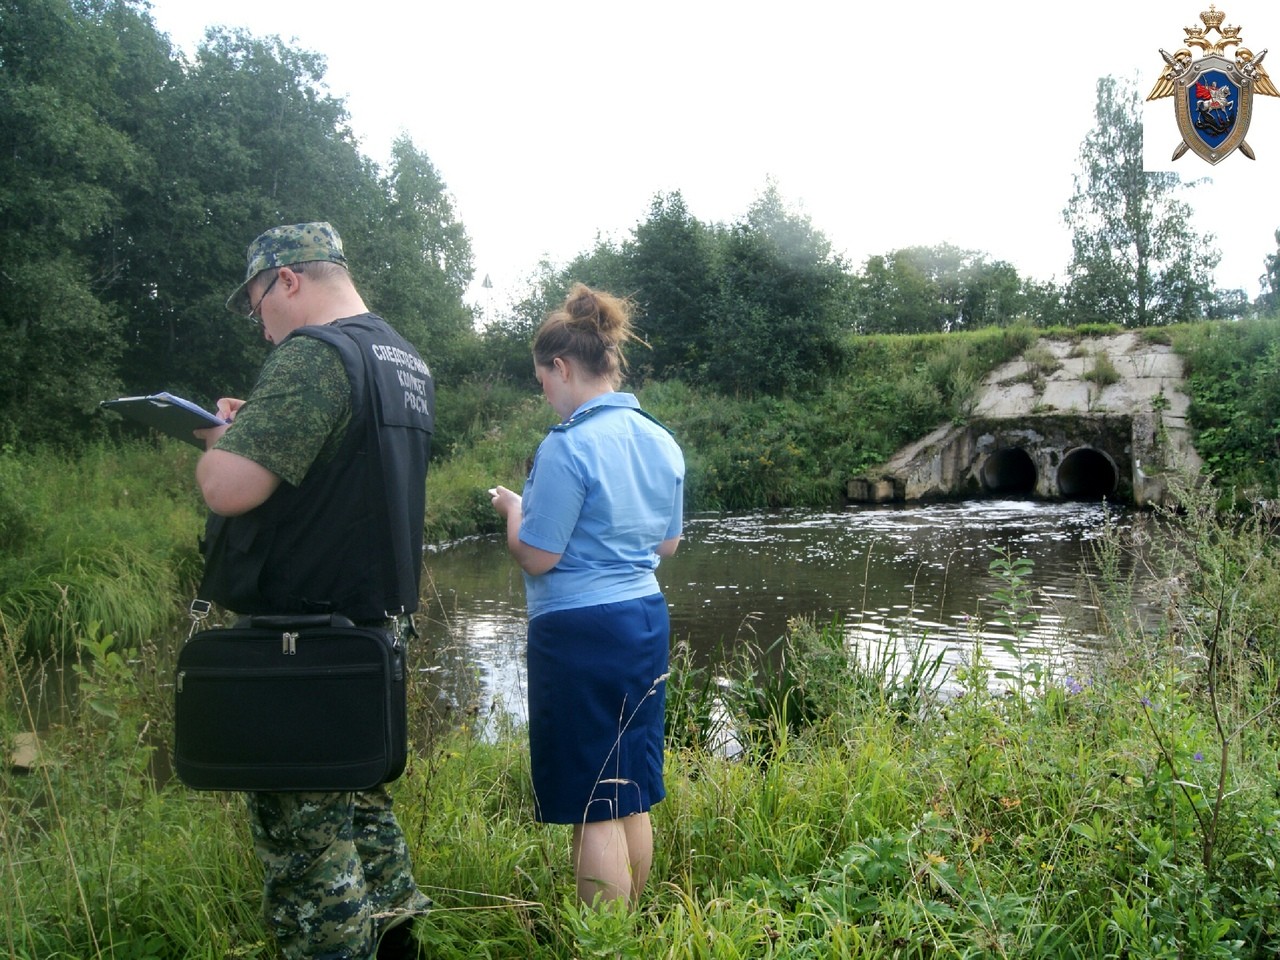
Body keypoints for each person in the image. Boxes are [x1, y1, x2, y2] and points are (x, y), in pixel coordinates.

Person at [193, 222, 434, 959]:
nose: (262, 328)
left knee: (309, 868)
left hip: (300, 648)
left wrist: (216, 445)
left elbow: (231, 488)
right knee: (365, 819)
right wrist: (258, 422)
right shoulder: (403, 359)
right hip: (368, 636)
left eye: (258, 303)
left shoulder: (314, 355)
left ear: (288, 280)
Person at [489, 283, 685, 908]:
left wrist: (514, 512)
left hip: (579, 633)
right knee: (631, 782)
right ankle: (634, 924)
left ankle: (605, 941)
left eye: (542, 378)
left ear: (563, 367)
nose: (542, 390)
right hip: (645, 619)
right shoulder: (661, 439)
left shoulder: (566, 446)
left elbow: (539, 555)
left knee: (592, 796)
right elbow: (667, 547)